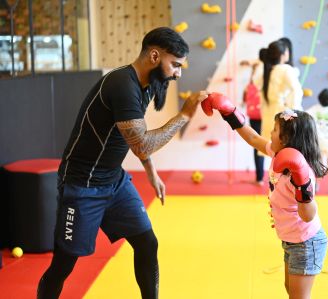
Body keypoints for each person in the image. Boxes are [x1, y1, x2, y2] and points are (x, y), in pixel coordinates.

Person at [37, 27, 208, 298]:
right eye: (175, 64)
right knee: (63, 265)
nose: (178, 73)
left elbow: (133, 136)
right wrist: (184, 115)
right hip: (82, 184)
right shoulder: (122, 85)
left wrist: (151, 172)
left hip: (113, 181)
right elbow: (140, 142)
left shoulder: (147, 85)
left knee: (147, 243)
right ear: (154, 56)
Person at [202, 93, 328, 299]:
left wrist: (302, 182)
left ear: (287, 140)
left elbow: (308, 215)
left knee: (299, 297)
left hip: (307, 242)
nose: (270, 132)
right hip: (291, 239)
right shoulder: (279, 155)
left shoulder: (303, 172)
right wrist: (230, 112)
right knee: (290, 290)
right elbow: (252, 138)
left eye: (275, 130)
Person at [255, 40, 304, 142]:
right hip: (283, 113)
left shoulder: (268, 71)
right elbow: (297, 91)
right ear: (282, 55)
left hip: (269, 114)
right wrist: (292, 112)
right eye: (286, 51)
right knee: (285, 148)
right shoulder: (286, 69)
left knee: (272, 149)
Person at [242, 49, 266, 184]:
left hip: (255, 115)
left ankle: (259, 178)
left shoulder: (255, 75)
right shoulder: (271, 73)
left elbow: (248, 90)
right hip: (267, 113)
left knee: (257, 145)